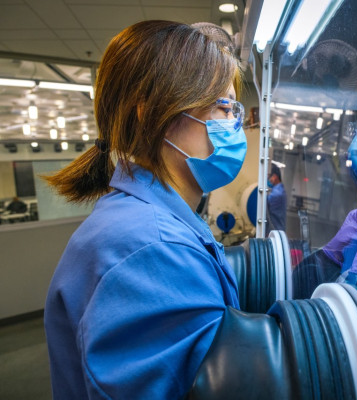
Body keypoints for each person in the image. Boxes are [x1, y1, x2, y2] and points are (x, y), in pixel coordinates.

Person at [43, 20, 246, 399]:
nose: (234, 124)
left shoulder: (149, 223)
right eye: (222, 106)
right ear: (152, 114)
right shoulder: (152, 247)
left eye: (234, 108)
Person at [267, 163, 287, 232]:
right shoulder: (279, 190)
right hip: (277, 228)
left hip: (276, 229)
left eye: (269, 177)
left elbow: (266, 202)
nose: (269, 180)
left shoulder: (278, 193)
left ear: (275, 177)